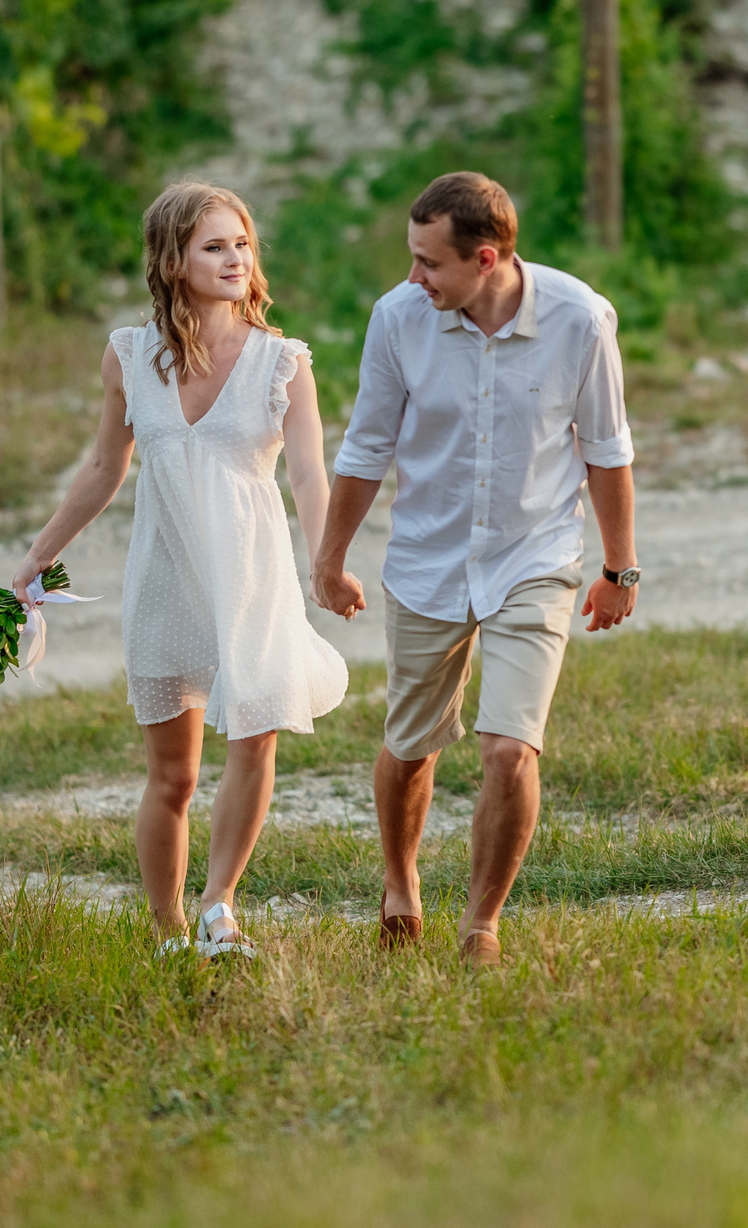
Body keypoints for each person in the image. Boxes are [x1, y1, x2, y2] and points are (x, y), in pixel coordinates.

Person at [14, 181, 350, 959]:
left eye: (241, 244)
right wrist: (36, 559)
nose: (235, 259)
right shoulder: (130, 355)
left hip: (253, 579)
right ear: (173, 261)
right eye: (214, 246)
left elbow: (307, 474)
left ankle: (217, 907)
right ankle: (166, 932)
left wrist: (325, 561)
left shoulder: (282, 361)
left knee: (256, 740)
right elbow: (104, 467)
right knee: (173, 776)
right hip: (165, 579)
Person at [312, 171, 640, 966]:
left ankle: (481, 924)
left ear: (485, 258)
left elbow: (607, 449)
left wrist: (619, 569)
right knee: (412, 743)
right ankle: (400, 884)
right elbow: (365, 448)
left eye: (429, 263)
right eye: (412, 259)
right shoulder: (398, 318)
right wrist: (330, 557)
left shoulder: (581, 318)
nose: (413, 277)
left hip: (536, 554)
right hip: (428, 555)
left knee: (508, 748)